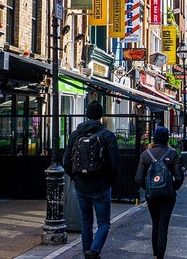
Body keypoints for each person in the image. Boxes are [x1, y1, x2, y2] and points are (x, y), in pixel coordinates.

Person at [63, 101, 120, 259]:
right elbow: (115, 164)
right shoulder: (107, 135)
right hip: (101, 186)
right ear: (101, 116)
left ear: (87, 114)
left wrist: (75, 177)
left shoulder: (75, 135)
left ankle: (86, 252)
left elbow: (66, 161)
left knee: (86, 222)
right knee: (103, 223)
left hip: (81, 186)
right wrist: (109, 181)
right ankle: (94, 251)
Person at [135, 127, 185, 259]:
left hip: (152, 196)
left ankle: (155, 255)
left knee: (155, 225)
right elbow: (179, 177)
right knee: (163, 227)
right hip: (168, 196)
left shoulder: (146, 155)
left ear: (155, 138)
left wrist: (149, 188)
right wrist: (171, 188)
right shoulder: (172, 153)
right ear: (167, 138)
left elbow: (138, 178)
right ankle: (160, 257)